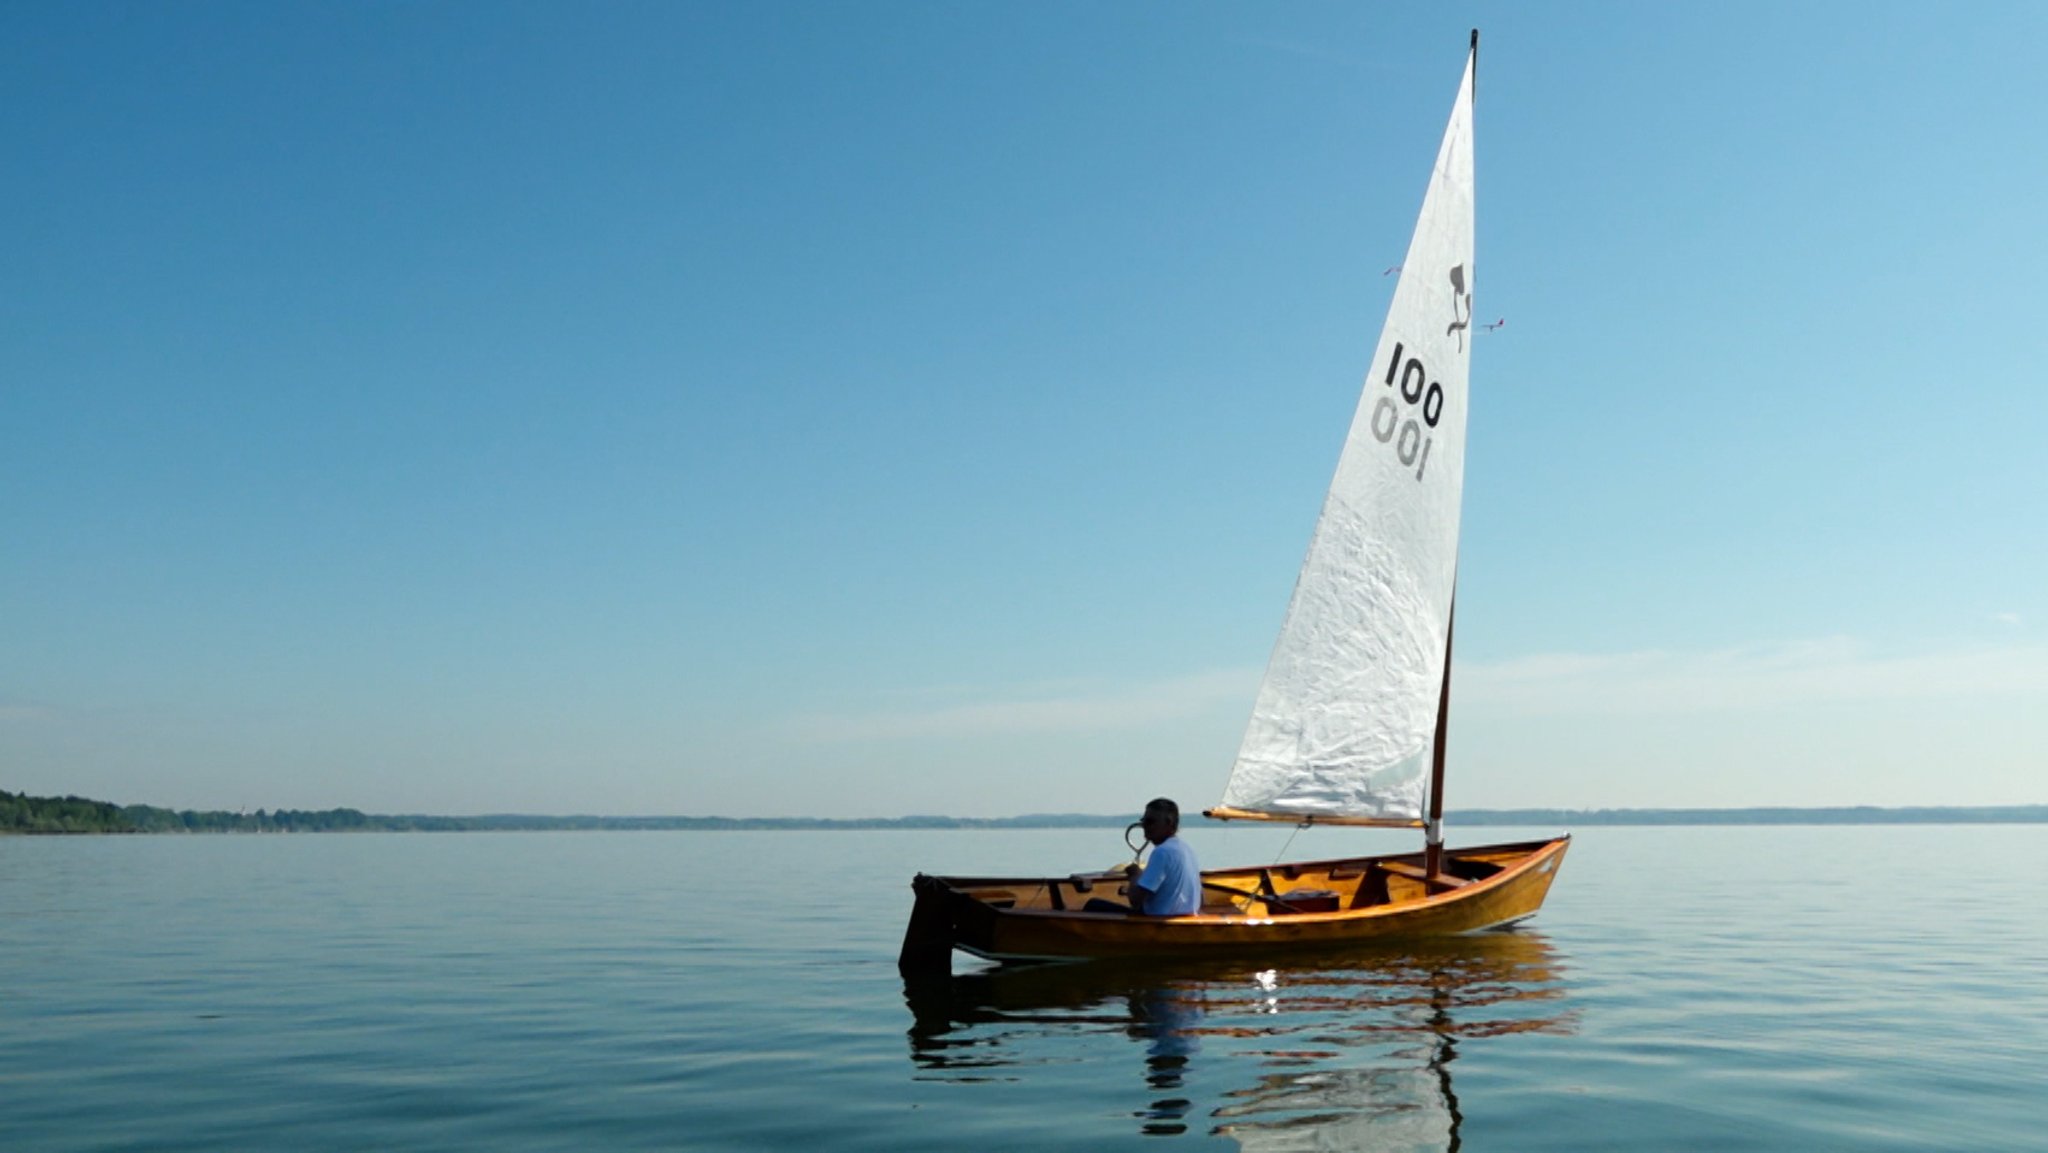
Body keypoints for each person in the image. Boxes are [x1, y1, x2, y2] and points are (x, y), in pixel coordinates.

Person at [1126, 797, 1201, 916]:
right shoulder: (1187, 849)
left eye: (1150, 821)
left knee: (1093, 905)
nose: (1144, 826)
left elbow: (1135, 900)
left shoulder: (1162, 852)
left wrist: (1135, 874)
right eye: (1143, 821)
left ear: (1169, 823)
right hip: (1186, 920)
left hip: (1160, 923)